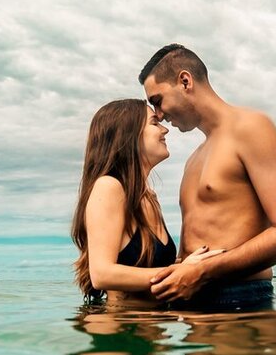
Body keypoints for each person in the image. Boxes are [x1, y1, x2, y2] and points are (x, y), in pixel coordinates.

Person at [138, 43, 276, 310]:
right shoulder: (195, 157)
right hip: (191, 300)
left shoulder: (251, 127)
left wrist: (201, 272)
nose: (159, 115)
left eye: (157, 101)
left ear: (185, 81)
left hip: (237, 298)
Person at [70, 98, 211, 303]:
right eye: (154, 123)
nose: (165, 130)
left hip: (150, 327)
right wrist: (181, 270)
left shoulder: (149, 198)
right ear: (129, 135)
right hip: (119, 329)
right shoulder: (109, 187)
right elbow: (101, 274)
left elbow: (153, 269)